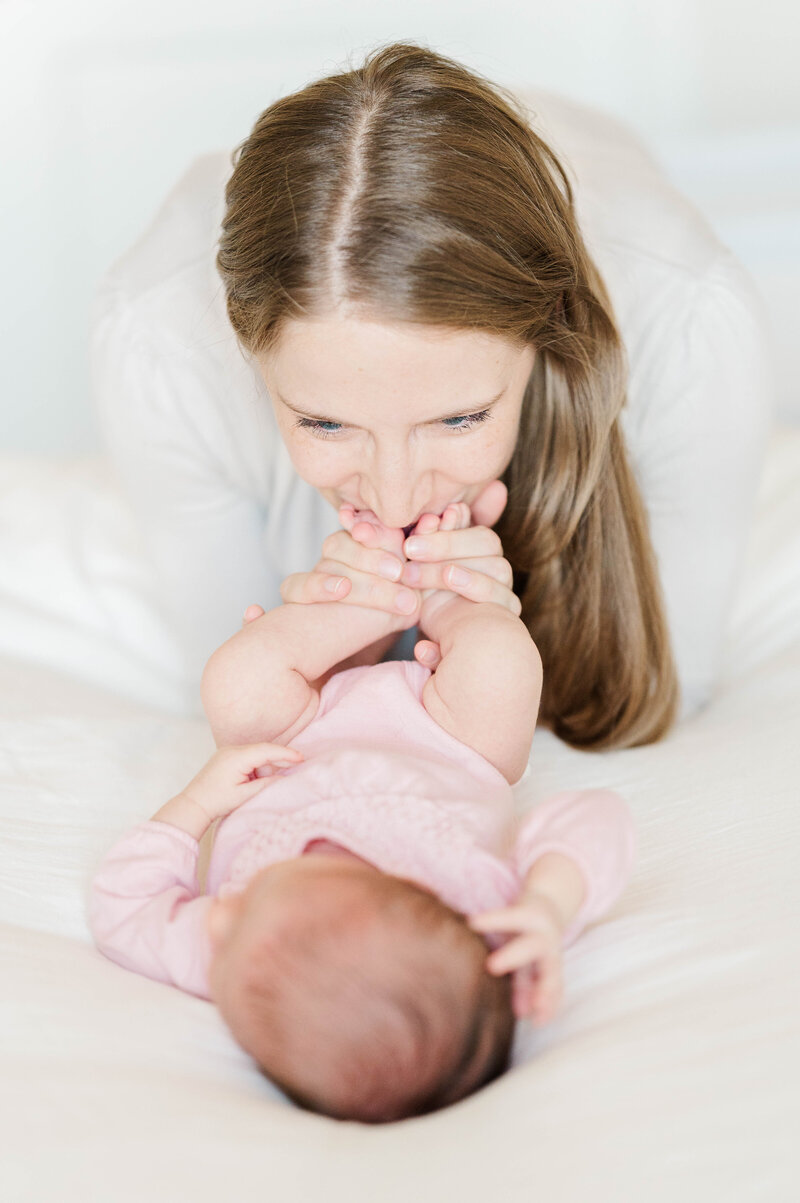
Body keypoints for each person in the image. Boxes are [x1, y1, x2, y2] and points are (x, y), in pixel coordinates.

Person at [89, 41, 773, 750]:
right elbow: (239, 714)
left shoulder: (693, 323)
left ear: (544, 338)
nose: (395, 502)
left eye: (461, 418)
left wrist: (488, 656)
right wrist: (344, 658)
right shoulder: (156, 341)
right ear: (247, 353)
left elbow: (671, 686)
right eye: (324, 423)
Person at [88, 503, 635, 1124]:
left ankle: (369, 599)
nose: (217, 917)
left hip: (299, 733)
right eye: (242, 914)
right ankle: (438, 586)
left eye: (225, 932)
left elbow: (122, 908)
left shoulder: (230, 958)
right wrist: (549, 904)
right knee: (499, 662)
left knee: (236, 680)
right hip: (449, 737)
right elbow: (599, 819)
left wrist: (195, 805)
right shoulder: (485, 919)